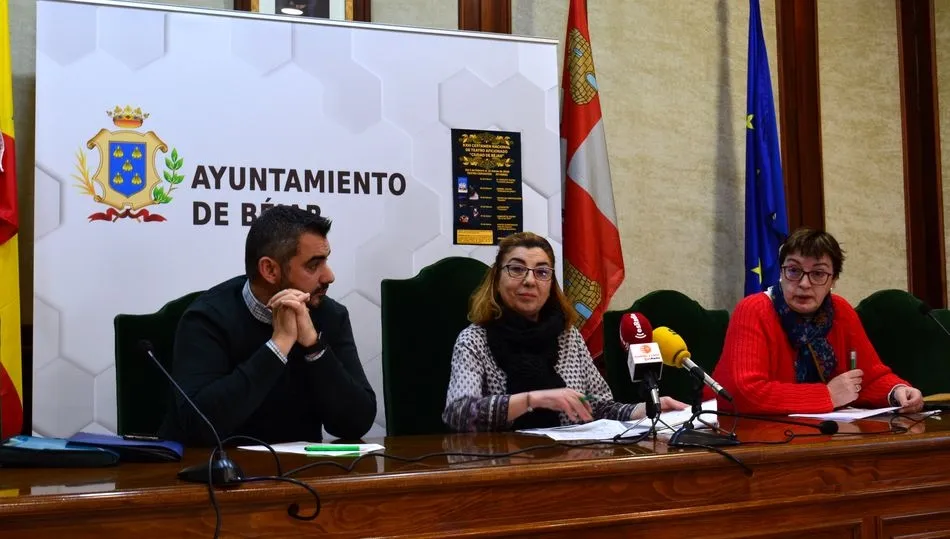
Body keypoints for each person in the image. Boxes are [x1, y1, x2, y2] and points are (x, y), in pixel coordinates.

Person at [159, 206, 376, 445]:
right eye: (314, 265)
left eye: (326, 261)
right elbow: (198, 425)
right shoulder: (207, 318)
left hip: (301, 474)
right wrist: (278, 346)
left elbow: (357, 422)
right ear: (270, 270)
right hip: (214, 474)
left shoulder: (330, 315)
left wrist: (314, 348)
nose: (329, 276)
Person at [442, 232, 686, 432]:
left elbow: (598, 407)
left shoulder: (569, 337)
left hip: (568, 461)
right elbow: (459, 413)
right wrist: (534, 399)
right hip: (502, 469)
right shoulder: (474, 339)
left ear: (551, 283)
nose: (529, 280)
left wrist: (645, 409)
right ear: (497, 278)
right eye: (517, 269)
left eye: (541, 272)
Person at [708, 227, 924, 415]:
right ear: (781, 273)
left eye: (818, 273)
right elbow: (744, 392)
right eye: (794, 270)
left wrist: (897, 391)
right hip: (740, 429)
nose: (804, 283)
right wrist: (827, 395)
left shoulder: (840, 311)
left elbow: (868, 377)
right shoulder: (754, 309)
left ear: (834, 279)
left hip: (816, 430)